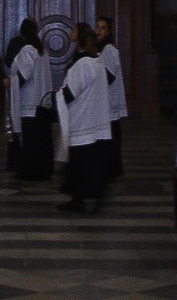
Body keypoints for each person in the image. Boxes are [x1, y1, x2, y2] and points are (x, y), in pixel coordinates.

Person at [54, 22, 111, 214]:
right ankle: (77, 198)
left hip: (82, 121)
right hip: (92, 119)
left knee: (83, 164)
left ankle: (93, 195)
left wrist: (57, 95)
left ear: (79, 40)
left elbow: (70, 93)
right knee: (81, 163)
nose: (71, 33)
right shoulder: (96, 61)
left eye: (74, 31)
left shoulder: (82, 64)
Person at [4, 18, 54, 181]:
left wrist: (11, 81)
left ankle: (30, 171)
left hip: (29, 101)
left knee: (30, 139)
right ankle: (44, 169)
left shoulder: (27, 50)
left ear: (22, 33)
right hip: (42, 100)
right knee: (42, 138)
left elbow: (24, 75)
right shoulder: (42, 50)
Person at [95, 15, 128, 180]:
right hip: (104, 100)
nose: (99, 31)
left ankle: (111, 169)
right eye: (98, 27)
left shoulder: (109, 50)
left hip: (109, 100)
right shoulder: (100, 49)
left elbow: (109, 76)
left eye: (103, 28)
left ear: (109, 31)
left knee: (111, 137)